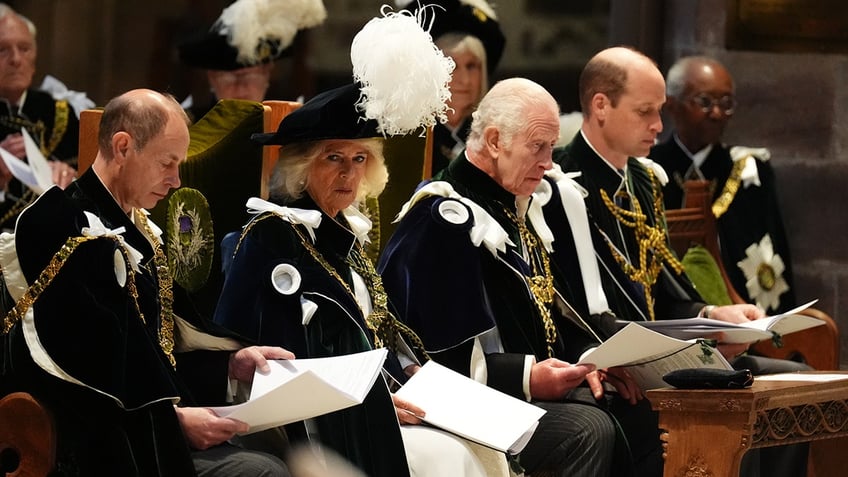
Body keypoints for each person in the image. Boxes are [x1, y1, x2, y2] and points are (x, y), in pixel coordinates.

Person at [213, 82, 507, 477]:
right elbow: (279, 359)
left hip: (378, 401)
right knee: (446, 458)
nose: (348, 173)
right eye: (333, 157)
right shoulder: (271, 237)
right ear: (302, 165)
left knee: (477, 442)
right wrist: (377, 402)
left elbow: (377, 326)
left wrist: (405, 371)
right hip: (320, 425)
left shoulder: (344, 233)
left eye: (359, 158)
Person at [546, 46, 809, 477]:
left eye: (662, 110)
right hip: (619, 362)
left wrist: (714, 316)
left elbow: (666, 292)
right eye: (645, 111)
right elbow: (579, 312)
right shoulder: (559, 187)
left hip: (669, 352)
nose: (659, 126)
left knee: (791, 384)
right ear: (600, 106)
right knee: (740, 408)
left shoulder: (645, 181)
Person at [0, 89, 292, 476]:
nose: (175, 181)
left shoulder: (137, 232)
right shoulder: (64, 230)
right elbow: (81, 378)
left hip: (150, 429)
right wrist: (175, 422)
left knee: (285, 446)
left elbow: (155, 356)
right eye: (167, 163)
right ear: (123, 147)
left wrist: (229, 365)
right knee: (263, 469)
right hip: (96, 449)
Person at [379, 77, 632, 477]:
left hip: (533, 392)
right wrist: (528, 377)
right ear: (495, 141)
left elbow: (555, 309)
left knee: (641, 402)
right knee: (586, 429)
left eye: (551, 146)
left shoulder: (516, 206)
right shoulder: (443, 220)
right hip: (472, 403)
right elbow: (434, 356)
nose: (549, 162)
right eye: (538, 146)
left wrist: (590, 362)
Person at [650, 55, 796, 314]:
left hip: (740, 309)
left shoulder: (747, 170)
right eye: (704, 102)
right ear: (671, 105)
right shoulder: (649, 166)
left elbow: (771, 248)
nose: (717, 113)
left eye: (726, 103)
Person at [177, 0, 326, 121]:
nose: (241, 87)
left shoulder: (288, 126)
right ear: (213, 79)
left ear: (267, 73)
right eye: (229, 78)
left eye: (249, 75)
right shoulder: (187, 126)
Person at [402, 0, 505, 175]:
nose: (464, 80)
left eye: (472, 66)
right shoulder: (405, 138)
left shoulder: (499, 137)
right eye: (451, 65)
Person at [0, 4, 78, 230]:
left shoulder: (60, 113)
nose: (16, 59)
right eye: (2, 50)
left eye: (24, 48)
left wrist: (68, 177)